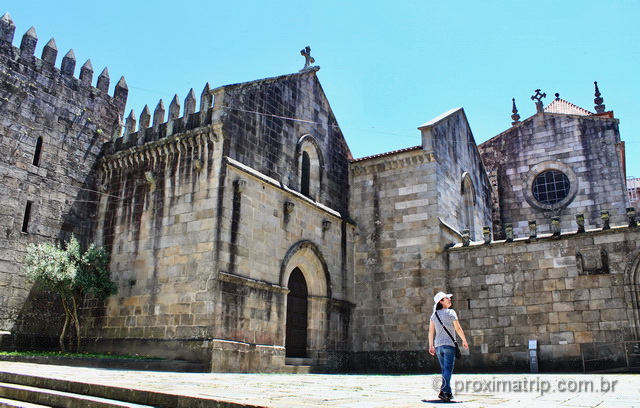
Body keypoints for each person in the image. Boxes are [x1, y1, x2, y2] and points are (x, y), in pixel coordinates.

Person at [428, 292, 469, 402]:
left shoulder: (434, 315)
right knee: (448, 369)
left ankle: (448, 392)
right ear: (441, 301)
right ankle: (443, 391)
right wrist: (464, 340)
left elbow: (431, 331)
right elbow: (458, 328)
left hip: (438, 346)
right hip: (449, 345)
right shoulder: (451, 312)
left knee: (444, 369)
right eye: (447, 298)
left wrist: (431, 345)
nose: (450, 299)